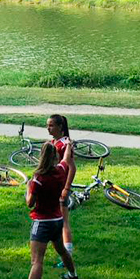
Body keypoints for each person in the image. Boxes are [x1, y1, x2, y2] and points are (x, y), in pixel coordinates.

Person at [12, 142, 79, 279]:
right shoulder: (60, 171)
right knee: (62, 250)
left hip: (42, 223)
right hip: (57, 220)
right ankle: (73, 275)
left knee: (37, 261)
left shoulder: (37, 179)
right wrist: (69, 146)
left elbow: (30, 203)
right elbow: (66, 159)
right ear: (54, 156)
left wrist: (28, 188)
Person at [46, 114, 78, 268]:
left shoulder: (65, 144)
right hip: (53, 186)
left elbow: (72, 167)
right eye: (48, 125)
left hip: (61, 187)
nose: (48, 128)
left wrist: (66, 187)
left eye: (51, 125)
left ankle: (68, 253)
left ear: (60, 127)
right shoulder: (55, 142)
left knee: (63, 221)